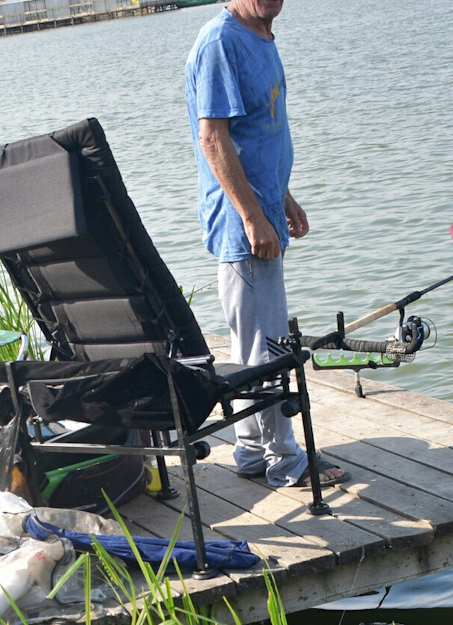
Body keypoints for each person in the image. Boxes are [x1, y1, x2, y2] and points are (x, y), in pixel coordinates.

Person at [185, 0, 345, 489]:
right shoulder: (221, 42)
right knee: (269, 348)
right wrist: (253, 216)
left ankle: (252, 450)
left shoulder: (260, 35)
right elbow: (213, 139)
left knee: (252, 340)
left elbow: (258, 134)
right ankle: (285, 461)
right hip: (242, 225)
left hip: (263, 212)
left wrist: (283, 198)